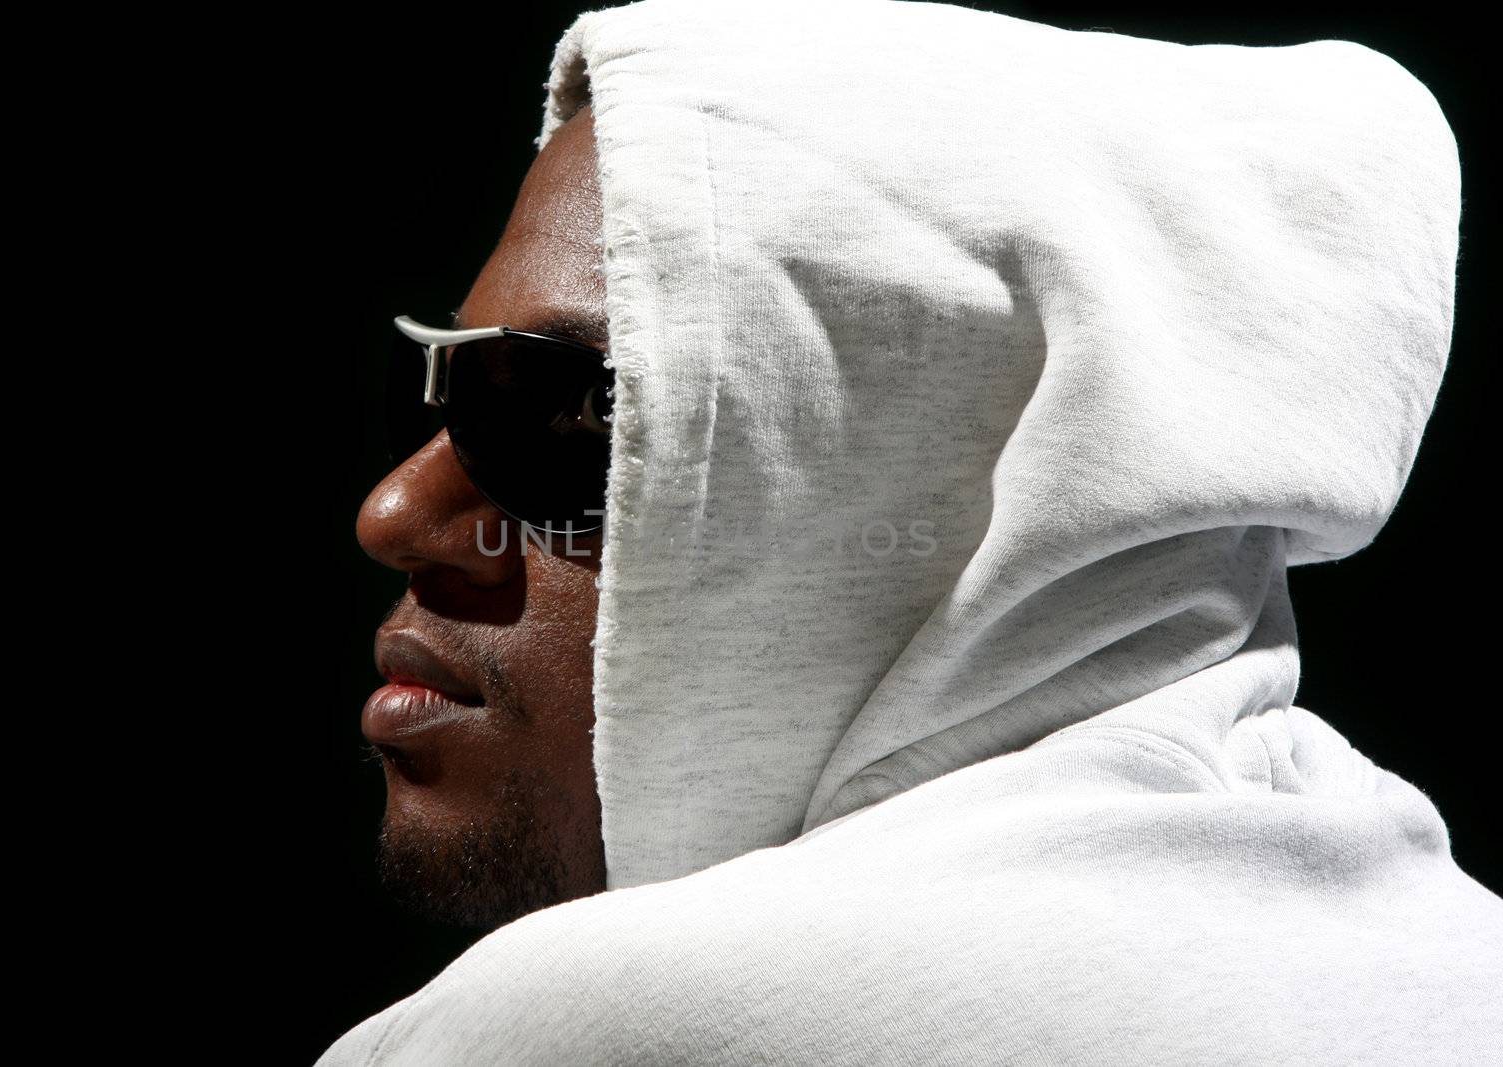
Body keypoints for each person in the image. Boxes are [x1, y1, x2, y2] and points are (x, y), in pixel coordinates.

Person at [327, 1, 1503, 1062]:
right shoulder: (1456, 953)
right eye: (448, 389)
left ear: (937, 477)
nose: (398, 513)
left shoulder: (596, 1023)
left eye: (563, 413)